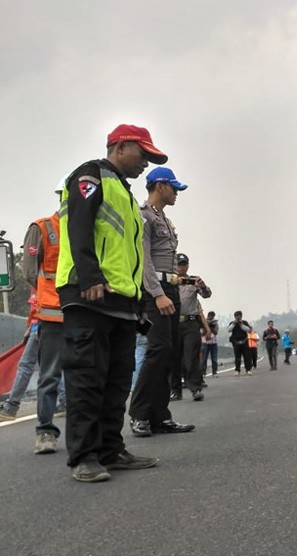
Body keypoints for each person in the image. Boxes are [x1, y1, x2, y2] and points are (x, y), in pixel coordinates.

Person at [57, 123, 162, 481]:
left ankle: (110, 449)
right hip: (90, 295)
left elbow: (131, 255)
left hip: (121, 300)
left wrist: (140, 304)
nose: (145, 162)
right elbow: (80, 226)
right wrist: (89, 276)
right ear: (120, 147)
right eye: (142, 153)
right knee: (87, 379)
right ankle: (84, 457)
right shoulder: (90, 176)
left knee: (117, 380)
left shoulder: (125, 193)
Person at [128, 167, 195, 437]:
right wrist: (157, 294)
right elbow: (143, 261)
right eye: (174, 188)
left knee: (170, 351)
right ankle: (139, 414)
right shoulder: (144, 217)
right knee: (157, 350)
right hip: (156, 290)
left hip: (171, 288)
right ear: (159, 186)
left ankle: (160, 415)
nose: (177, 193)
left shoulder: (164, 219)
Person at [21, 208, 67, 454]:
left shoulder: (88, 227)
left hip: (84, 311)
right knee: (50, 375)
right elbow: (29, 272)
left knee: (86, 375)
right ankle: (45, 430)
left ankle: (90, 431)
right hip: (53, 312)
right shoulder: (42, 228)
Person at [175, 253, 212, 400]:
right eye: (179, 264)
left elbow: (207, 294)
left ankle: (195, 388)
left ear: (188, 266)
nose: (181, 267)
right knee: (174, 358)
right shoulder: (170, 281)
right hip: (173, 323)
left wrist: (202, 287)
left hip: (190, 323)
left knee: (191, 357)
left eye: (184, 264)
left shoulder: (193, 280)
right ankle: (174, 390)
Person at [227, 311, 252, 375]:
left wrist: (241, 325)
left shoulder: (244, 322)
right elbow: (228, 330)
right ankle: (237, 370)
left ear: (241, 316)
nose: (238, 318)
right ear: (235, 317)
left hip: (244, 341)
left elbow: (248, 330)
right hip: (236, 342)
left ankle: (248, 369)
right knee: (237, 357)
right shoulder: (232, 323)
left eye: (239, 316)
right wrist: (234, 324)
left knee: (246, 356)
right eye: (236, 316)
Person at [201, 311, 219, 377]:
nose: (211, 317)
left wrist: (211, 327)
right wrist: (207, 326)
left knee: (214, 359)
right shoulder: (204, 322)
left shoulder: (215, 323)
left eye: (212, 316)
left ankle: (214, 372)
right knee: (204, 359)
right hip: (205, 342)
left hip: (213, 342)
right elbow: (201, 333)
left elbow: (216, 332)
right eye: (210, 316)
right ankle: (203, 372)